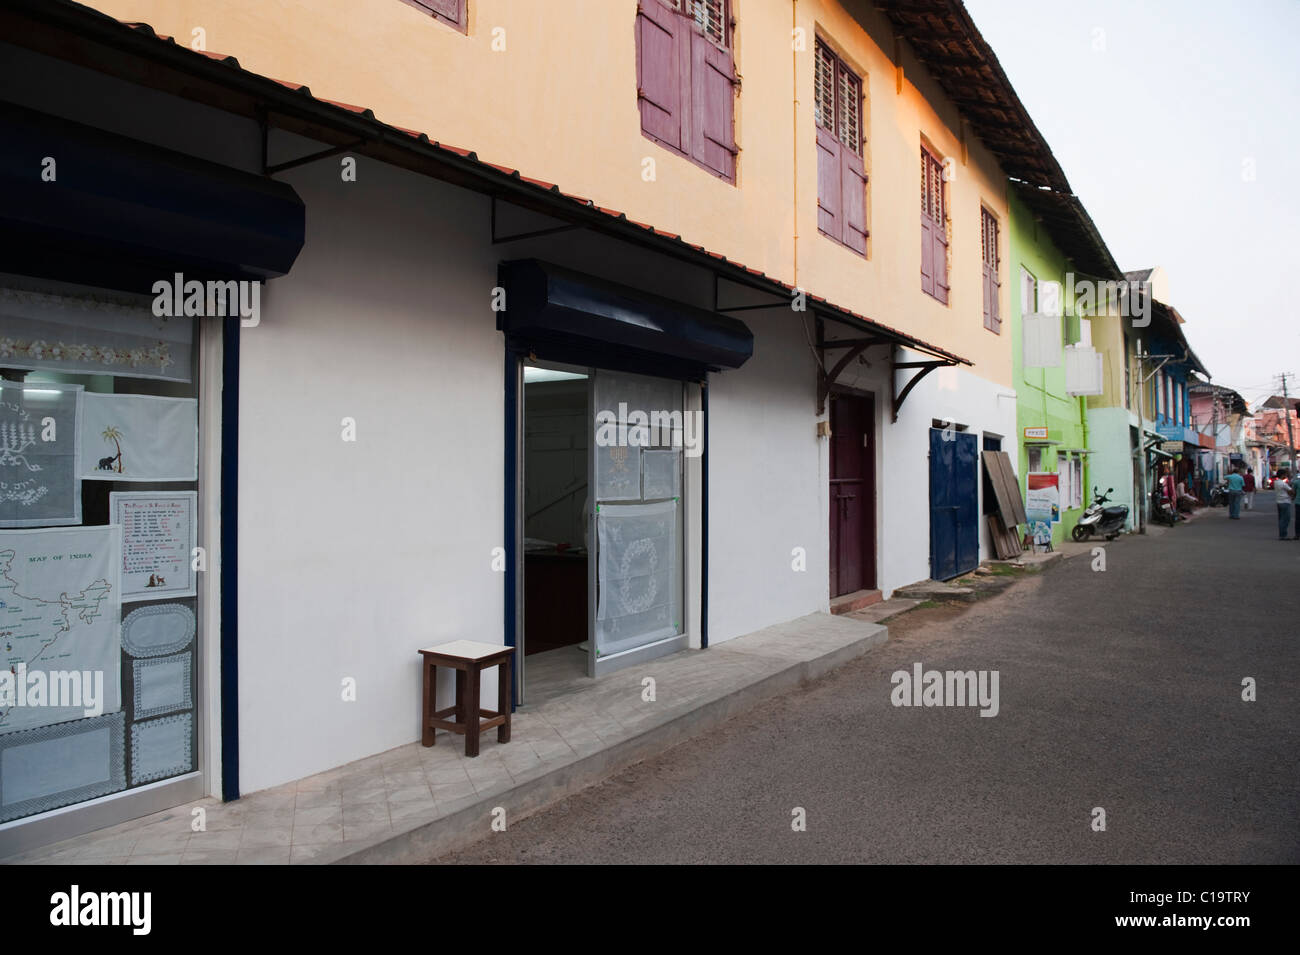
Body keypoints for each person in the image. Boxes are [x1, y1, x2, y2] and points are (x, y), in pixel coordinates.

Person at [1275, 468, 1294, 539]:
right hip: (1285, 502)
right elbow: (1291, 491)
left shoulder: (1276, 482)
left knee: (1281, 519)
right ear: (1282, 475)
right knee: (1286, 519)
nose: (1286, 475)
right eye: (1285, 474)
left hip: (1279, 501)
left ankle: (1281, 534)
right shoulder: (1283, 483)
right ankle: (1283, 534)